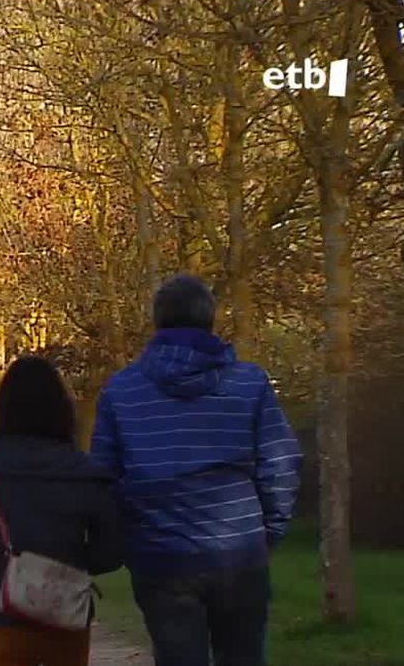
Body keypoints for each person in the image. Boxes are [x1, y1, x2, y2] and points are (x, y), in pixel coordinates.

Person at [90, 274, 302, 666]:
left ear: (158, 321)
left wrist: (132, 533)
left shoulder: (122, 390)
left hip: (161, 555)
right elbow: (280, 463)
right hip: (239, 550)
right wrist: (267, 530)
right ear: (211, 320)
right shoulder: (249, 384)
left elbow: (103, 478)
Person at [0, 356, 123, 666]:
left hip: (3, 607)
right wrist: (74, 563)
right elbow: (109, 552)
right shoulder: (87, 473)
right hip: (66, 607)